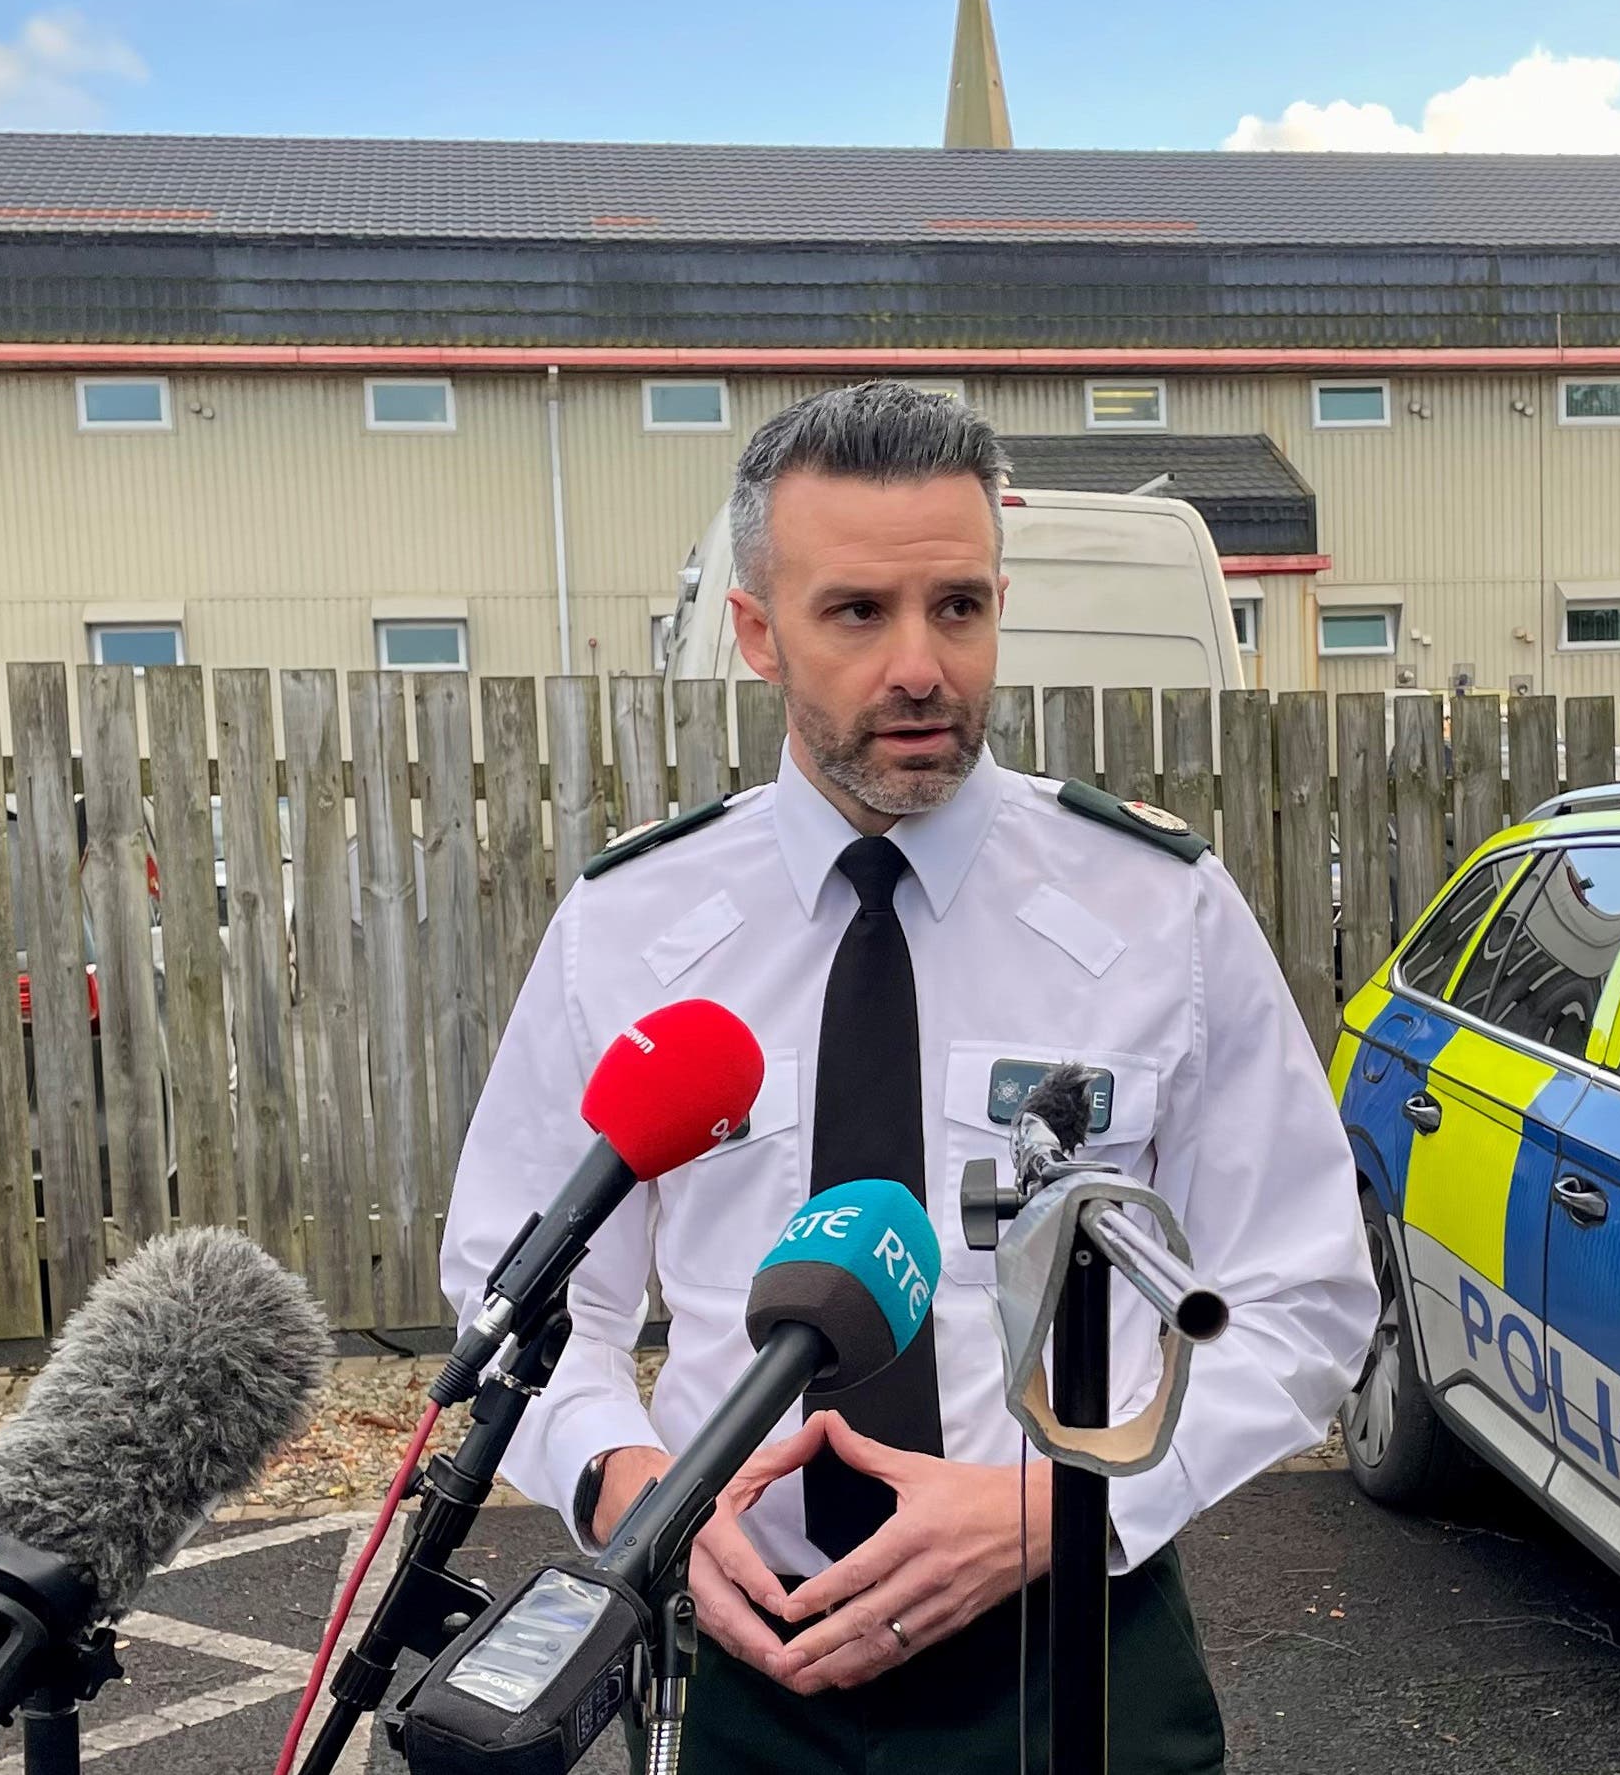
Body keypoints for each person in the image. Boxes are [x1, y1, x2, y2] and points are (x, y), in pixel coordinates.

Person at [440, 380, 1374, 1774]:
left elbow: (1295, 1295)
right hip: (738, 1641)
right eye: (857, 614)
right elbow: (522, 1295)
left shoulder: (1154, 910)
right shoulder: (633, 927)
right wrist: (628, 1486)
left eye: (957, 607)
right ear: (758, 632)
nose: (922, 667)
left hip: (1070, 1632)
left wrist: (1047, 1506)